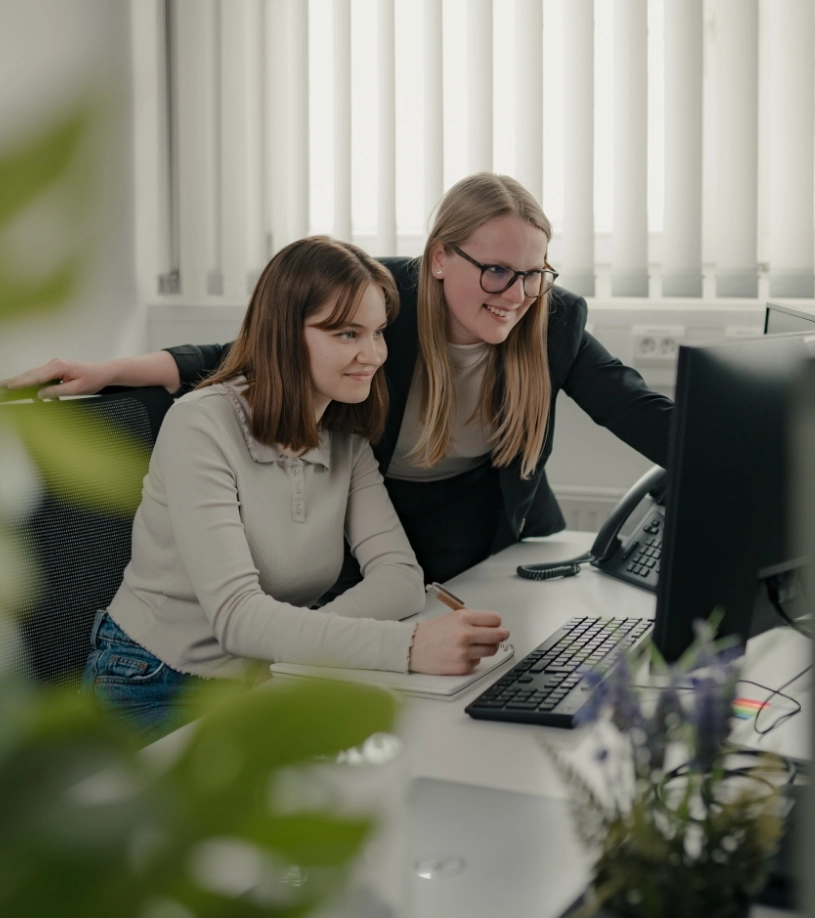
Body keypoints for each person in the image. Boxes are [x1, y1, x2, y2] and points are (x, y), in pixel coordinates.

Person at [3, 172, 673, 589]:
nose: (517, 292)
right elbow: (254, 351)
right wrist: (113, 369)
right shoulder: (383, 303)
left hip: (497, 529)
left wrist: (746, 456)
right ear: (440, 257)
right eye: (496, 270)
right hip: (391, 521)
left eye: (534, 273)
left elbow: (632, 407)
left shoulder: (551, 322)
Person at [73, 236, 509, 739]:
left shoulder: (343, 435)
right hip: (156, 685)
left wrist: (293, 647)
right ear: (283, 335)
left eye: (378, 332)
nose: (372, 355)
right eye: (347, 334)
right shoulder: (199, 426)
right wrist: (409, 647)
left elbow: (400, 578)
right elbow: (237, 618)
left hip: (267, 677)